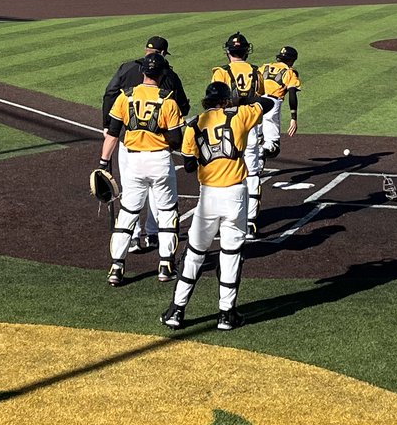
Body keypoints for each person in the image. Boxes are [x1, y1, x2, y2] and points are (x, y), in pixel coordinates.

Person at [162, 81, 266, 332]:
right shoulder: (240, 115)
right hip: (236, 196)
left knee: (195, 254)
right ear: (226, 100)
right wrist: (243, 102)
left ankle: (176, 310)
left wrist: (202, 157)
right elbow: (268, 103)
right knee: (231, 254)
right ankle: (226, 314)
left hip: (208, 196)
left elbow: (188, 165)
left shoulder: (194, 124)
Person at [99, 54, 187, 287]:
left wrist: (102, 162)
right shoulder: (168, 101)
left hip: (134, 163)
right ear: (161, 74)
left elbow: (112, 133)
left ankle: (116, 268)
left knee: (128, 213)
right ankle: (166, 265)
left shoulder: (125, 97)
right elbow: (177, 140)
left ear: (143, 73)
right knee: (167, 212)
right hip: (159, 162)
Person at [211, 32, 269, 232]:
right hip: (250, 124)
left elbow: (214, 100)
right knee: (252, 173)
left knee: (224, 170)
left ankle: (224, 218)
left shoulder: (221, 72)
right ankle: (251, 220)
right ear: (246, 51)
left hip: (227, 126)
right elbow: (261, 97)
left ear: (228, 51)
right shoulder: (256, 71)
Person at [255, 46, 302, 161]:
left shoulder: (264, 67)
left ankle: (256, 164)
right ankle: (261, 152)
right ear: (292, 60)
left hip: (255, 103)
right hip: (272, 104)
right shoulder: (289, 72)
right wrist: (293, 118)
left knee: (255, 139)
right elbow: (292, 94)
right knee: (273, 147)